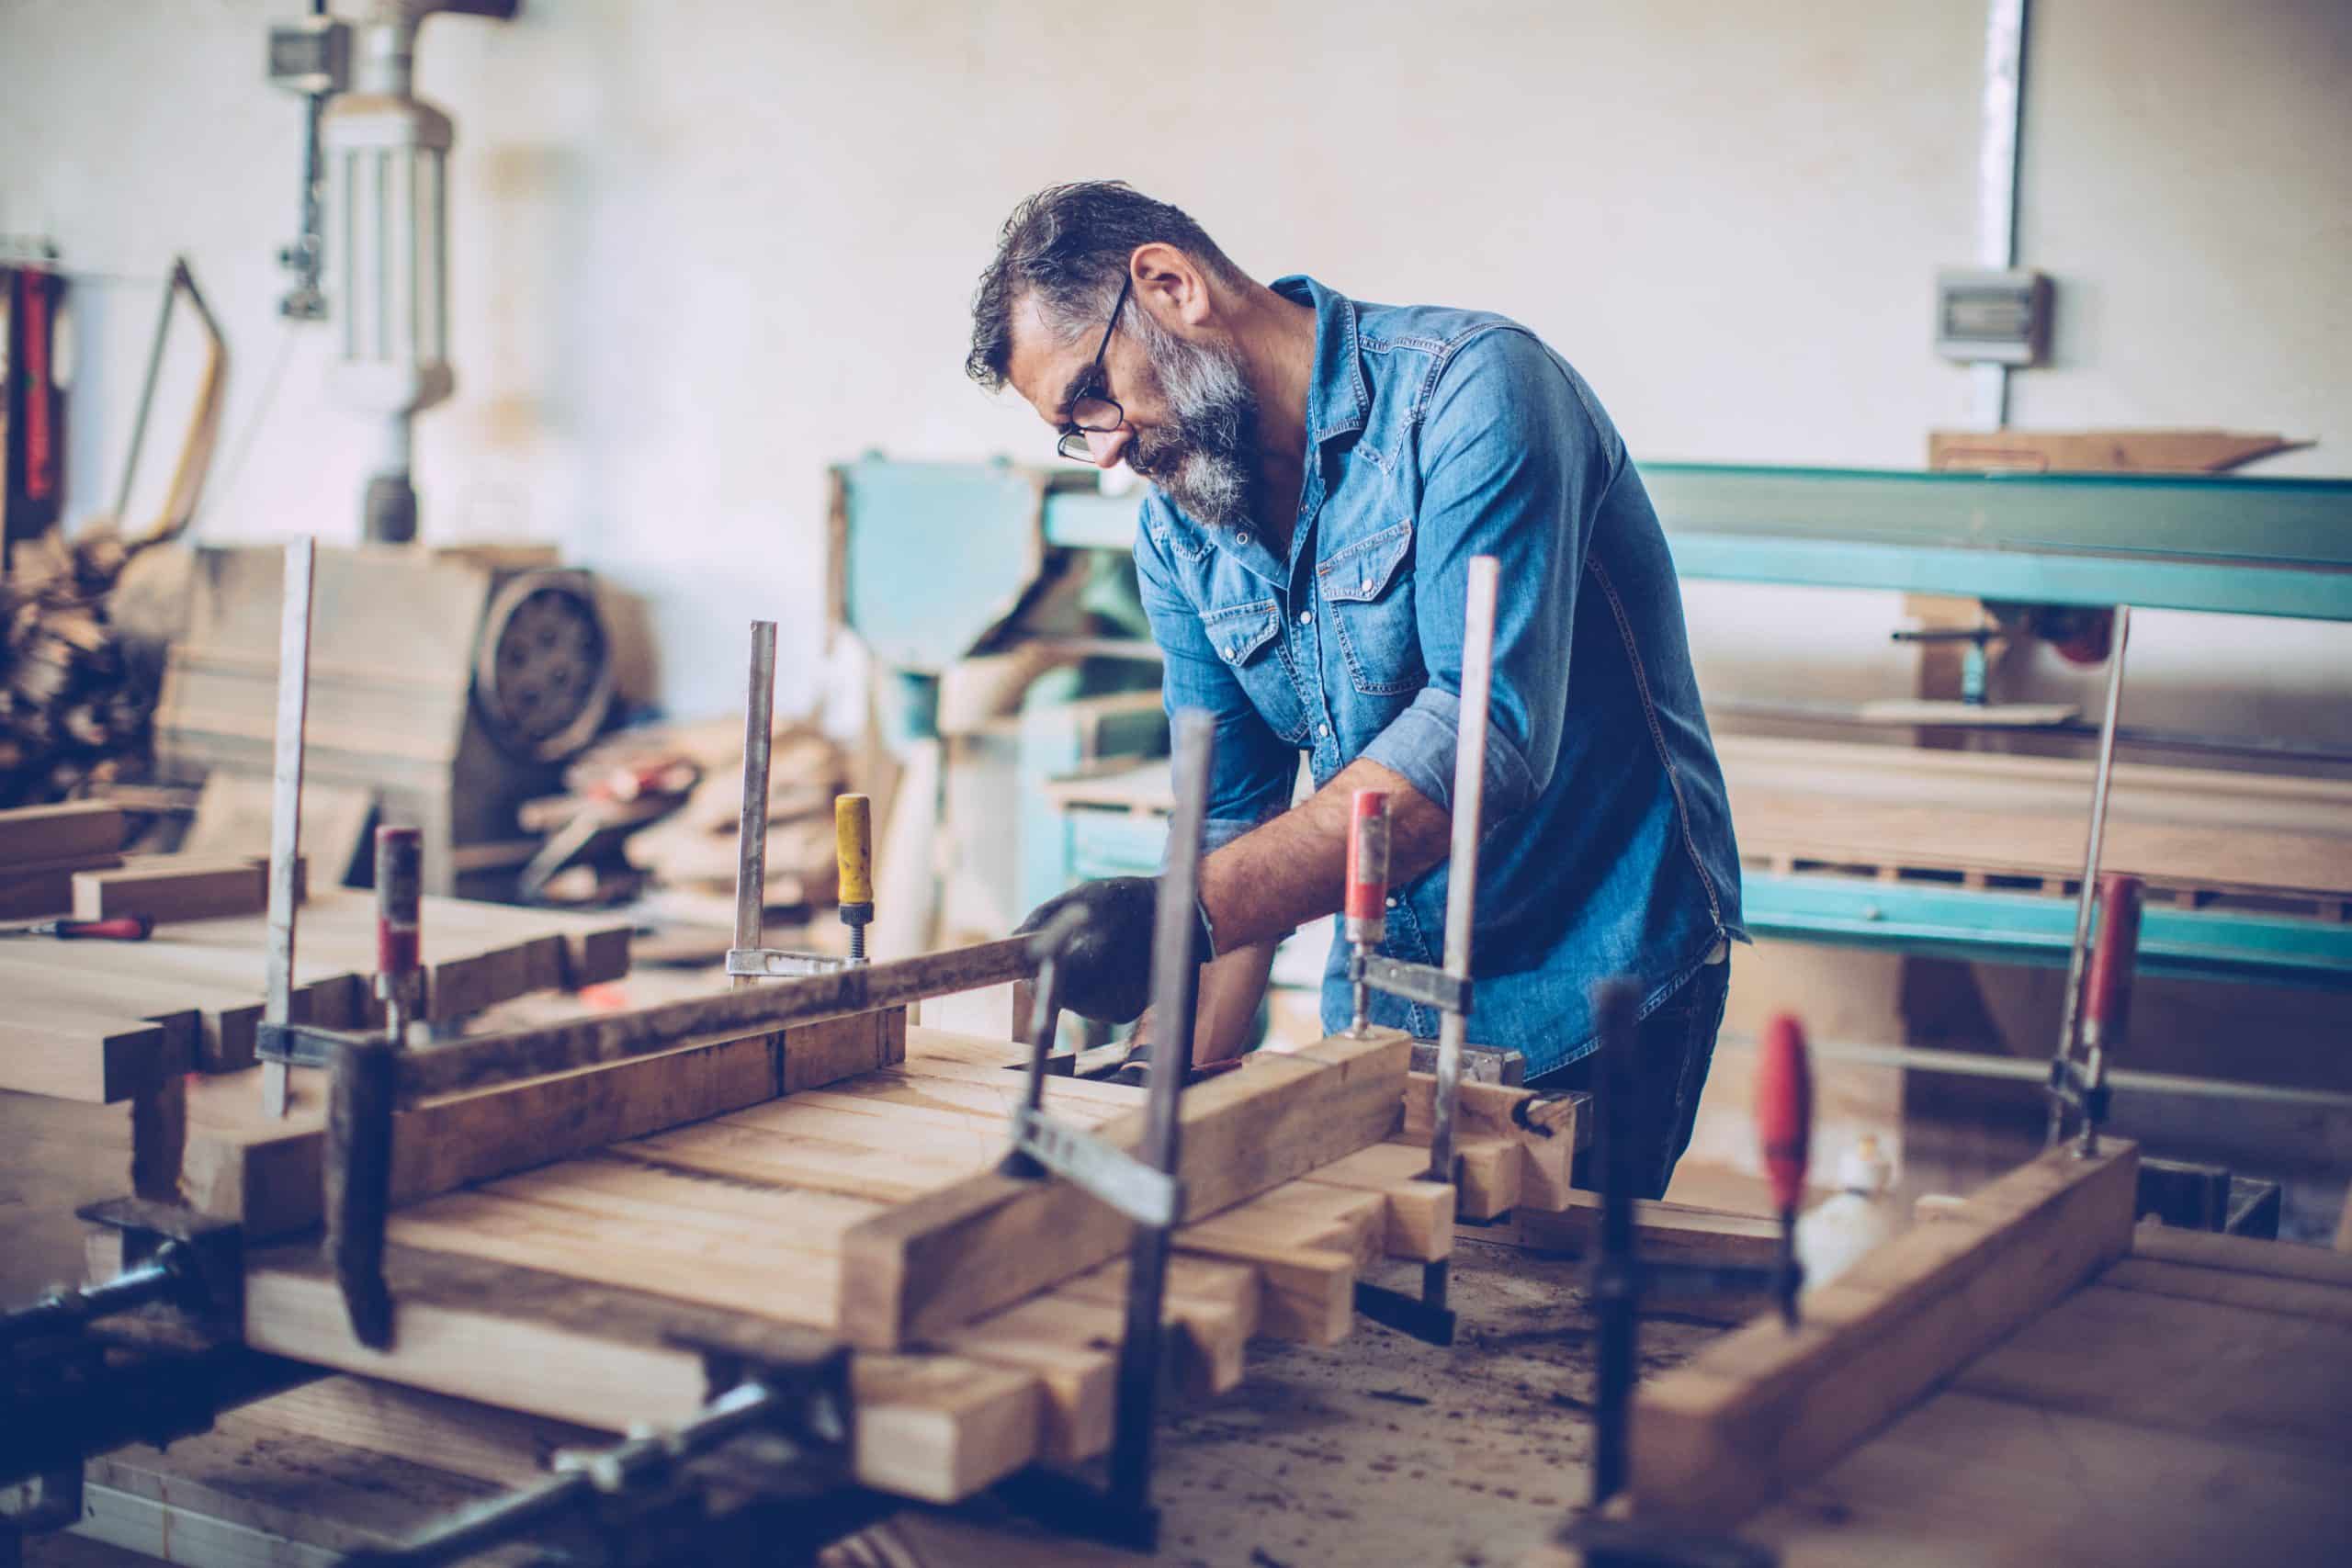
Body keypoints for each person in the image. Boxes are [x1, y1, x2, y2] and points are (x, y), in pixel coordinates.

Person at [964, 182, 1743, 1197]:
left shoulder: (1474, 392)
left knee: (1539, 1328)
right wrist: (1163, 1066)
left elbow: (1484, 738)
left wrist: (1176, 915)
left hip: (1591, 973)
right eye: (1073, 430)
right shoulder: (1178, 530)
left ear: (1169, 285)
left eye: (1091, 397)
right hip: (1384, 999)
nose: (1103, 449)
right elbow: (1230, 816)